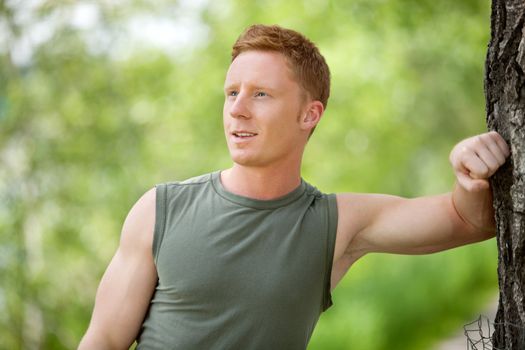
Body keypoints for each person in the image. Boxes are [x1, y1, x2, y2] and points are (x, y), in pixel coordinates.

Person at [78, 24, 510, 349]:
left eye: (261, 94)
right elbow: (103, 341)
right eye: (231, 93)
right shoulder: (160, 209)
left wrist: (469, 177)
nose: (238, 111)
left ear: (310, 115)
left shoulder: (335, 224)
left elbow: (467, 221)